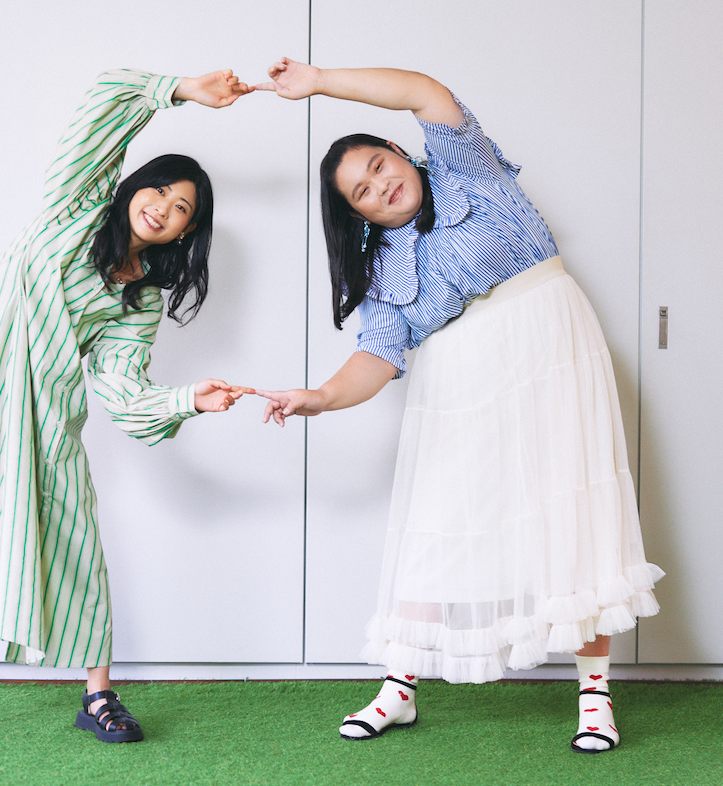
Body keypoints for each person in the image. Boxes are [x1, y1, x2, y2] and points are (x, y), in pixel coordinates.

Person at [254, 58, 663, 753]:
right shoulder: (382, 265)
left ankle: (595, 697)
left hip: (553, 353)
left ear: (398, 151)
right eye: (362, 192)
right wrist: (318, 397)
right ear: (356, 215)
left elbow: (422, 92)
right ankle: (398, 689)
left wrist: (319, 80)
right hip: (461, 386)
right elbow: (377, 356)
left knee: (575, 511)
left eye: (379, 166)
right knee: (439, 521)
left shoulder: (466, 169)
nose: (382, 186)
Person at [0, 67, 255, 746]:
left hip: (47, 425)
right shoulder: (75, 208)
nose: (164, 207)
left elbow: (122, 388)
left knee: (76, 547)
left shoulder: (140, 299)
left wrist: (189, 398)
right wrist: (182, 90)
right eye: (160, 188)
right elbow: (101, 108)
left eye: (183, 208)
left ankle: (98, 696)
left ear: (186, 233)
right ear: (134, 187)